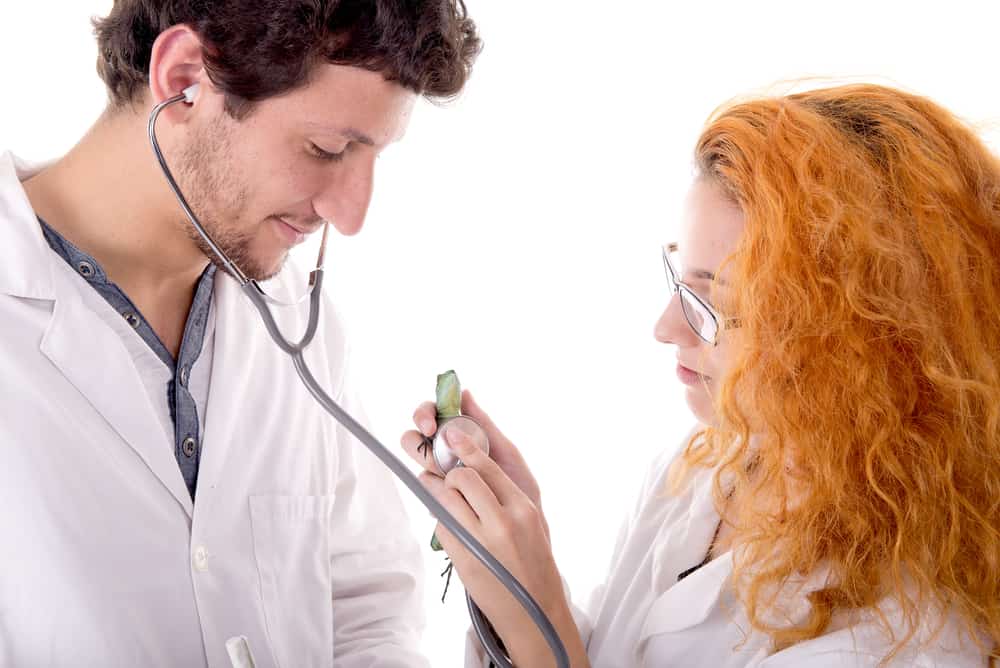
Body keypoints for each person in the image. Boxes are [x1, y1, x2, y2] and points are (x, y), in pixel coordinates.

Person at [401, 83, 1000, 667]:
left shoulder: (905, 637)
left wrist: (536, 612)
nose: (666, 328)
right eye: (681, 284)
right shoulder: (705, 463)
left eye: (714, 303)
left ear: (860, 339)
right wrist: (516, 547)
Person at [0, 1, 480, 666]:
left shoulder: (300, 326)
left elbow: (369, 606)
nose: (352, 214)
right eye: (328, 149)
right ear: (185, 79)